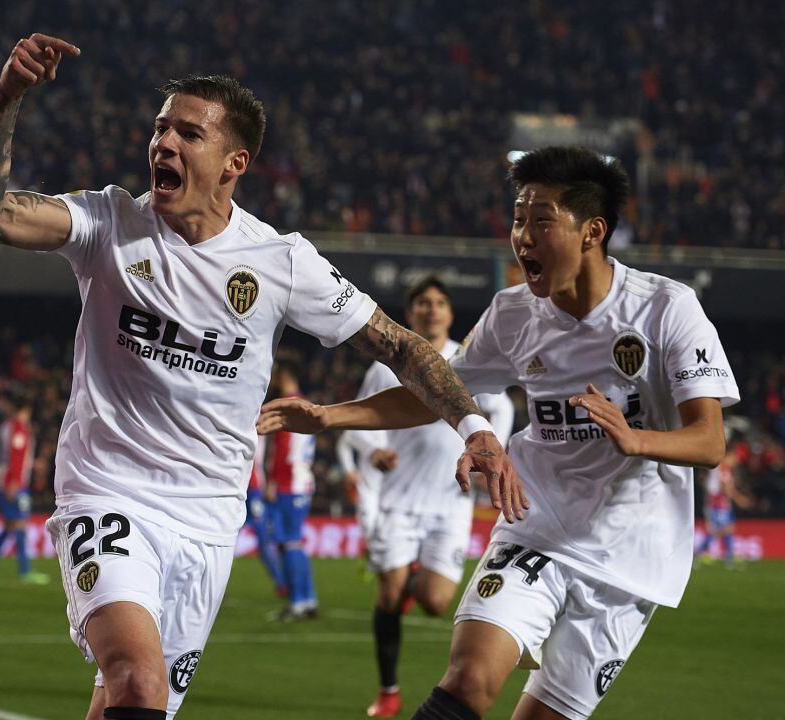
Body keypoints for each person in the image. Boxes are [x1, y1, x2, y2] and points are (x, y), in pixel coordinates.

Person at [0, 33, 523, 720]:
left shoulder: (280, 262)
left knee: (129, 702)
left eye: (187, 133)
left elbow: (400, 346)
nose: (163, 143)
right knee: (138, 681)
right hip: (109, 490)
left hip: (209, 514)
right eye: (160, 127)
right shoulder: (109, 221)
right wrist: (5, 100)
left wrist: (474, 426)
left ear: (234, 163)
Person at [258, 146, 738, 720]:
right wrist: (332, 415)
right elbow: (434, 391)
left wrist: (638, 441)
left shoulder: (666, 309)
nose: (523, 237)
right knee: (467, 679)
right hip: (534, 527)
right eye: (517, 218)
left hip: (628, 556)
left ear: (592, 231)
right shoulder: (513, 313)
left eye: (542, 221)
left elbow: (709, 442)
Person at [342, 278, 515, 718]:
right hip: (398, 501)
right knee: (388, 594)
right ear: (411, 312)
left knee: (436, 601)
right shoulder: (387, 366)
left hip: (450, 502)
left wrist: (494, 455)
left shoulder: (469, 361)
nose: (432, 310)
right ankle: (388, 690)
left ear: (450, 314)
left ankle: (411, 577)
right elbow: (359, 423)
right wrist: (374, 449)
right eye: (423, 303)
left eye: (439, 303)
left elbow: (502, 412)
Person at [266, 357, 319, 621]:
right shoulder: (305, 403)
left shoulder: (289, 406)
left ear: (283, 374)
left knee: (289, 542)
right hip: (301, 480)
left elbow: (285, 448)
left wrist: (274, 480)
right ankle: (308, 599)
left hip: (291, 482)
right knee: (293, 541)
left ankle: (298, 601)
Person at [0, 397, 49, 584]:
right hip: (15, 484)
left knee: (11, 525)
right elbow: (15, 458)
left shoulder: (8, 427)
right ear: (24, 410)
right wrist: (14, 482)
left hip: (11, 481)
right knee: (20, 524)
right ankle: (24, 571)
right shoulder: (19, 429)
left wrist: (30, 465)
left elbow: (12, 457)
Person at [694, 443, 748, 566]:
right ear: (728, 456)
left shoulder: (722, 469)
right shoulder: (722, 469)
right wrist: (739, 499)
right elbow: (724, 488)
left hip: (721, 504)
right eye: (734, 458)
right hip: (717, 504)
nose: (736, 461)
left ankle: (729, 556)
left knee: (728, 529)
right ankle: (700, 553)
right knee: (719, 530)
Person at [243, 440, 285, 596]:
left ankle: (281, 582)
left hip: (253, 488)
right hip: (238, 485)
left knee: (264, 537)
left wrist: (269, 482)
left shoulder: (259, 423)